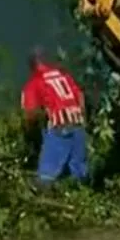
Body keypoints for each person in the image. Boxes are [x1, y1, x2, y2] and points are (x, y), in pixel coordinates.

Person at [21, 48, 89, 187]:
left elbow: (30, 113)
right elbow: (80, 95)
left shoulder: (35, 82)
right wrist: (82, 117)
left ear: (32, 65)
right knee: (80, 174)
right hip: (77, 125)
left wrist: (29, 132)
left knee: (45, 177)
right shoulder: (63, 75)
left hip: (60, 128)